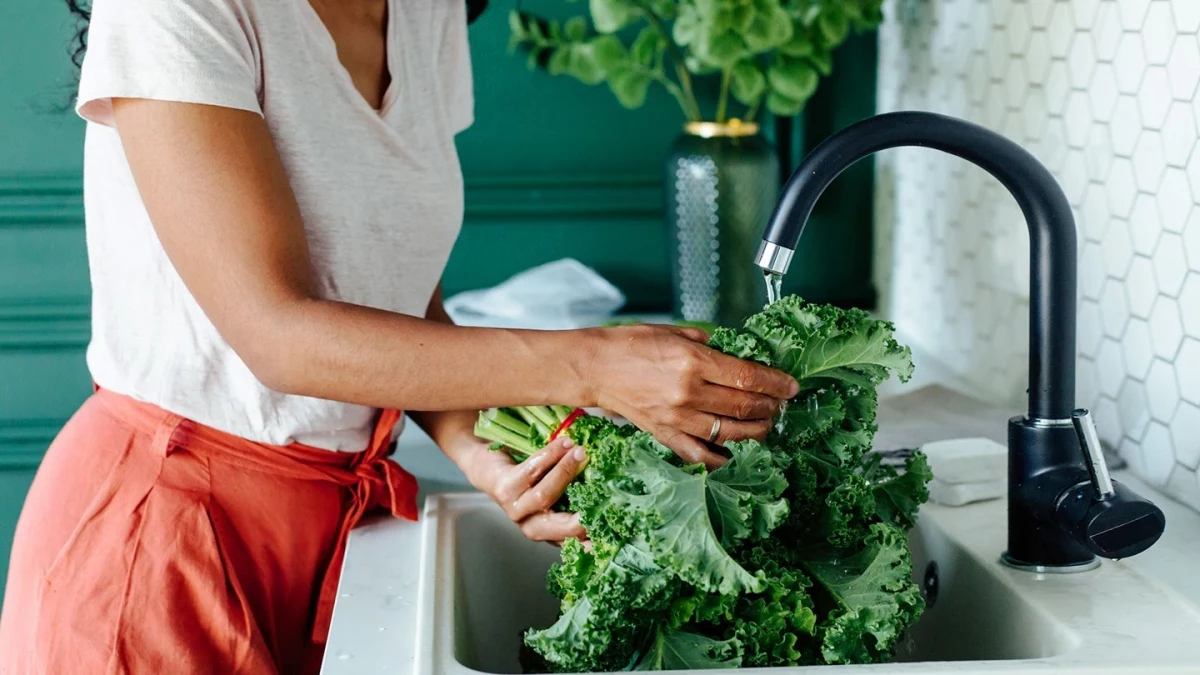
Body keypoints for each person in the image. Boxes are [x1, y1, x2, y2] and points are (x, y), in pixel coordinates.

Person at [0, 0, 798, 672]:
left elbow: (397, 291)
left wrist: (477, 446)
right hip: (165, 537)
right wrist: (594, 364)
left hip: (336, 532)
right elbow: (277, 332)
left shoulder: (425, 11)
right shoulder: (175, 8)